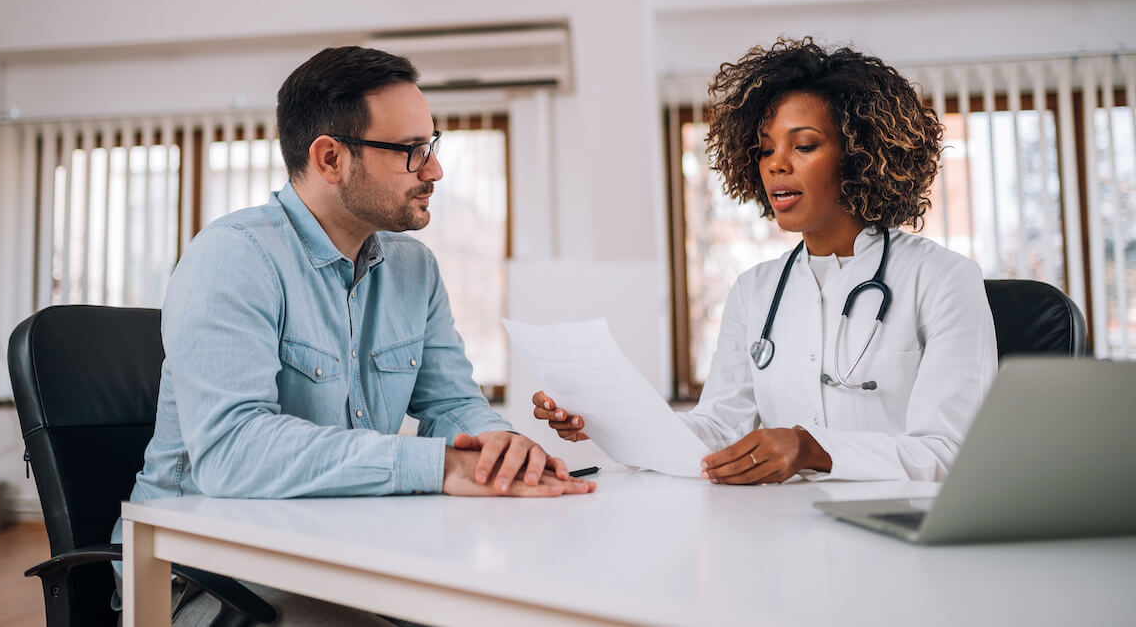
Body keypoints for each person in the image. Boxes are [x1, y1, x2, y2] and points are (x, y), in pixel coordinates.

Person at [114, 46, 593, 626]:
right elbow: (232, 454)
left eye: (432, 147)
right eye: (412, 152)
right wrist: (437, 466)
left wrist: (501, 451)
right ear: (331, 157)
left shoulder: (414, 269)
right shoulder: (232, 258)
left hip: (341, 548)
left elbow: (452, 404)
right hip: (202, 578)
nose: (434, 170)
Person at [533, 37, 997, 484]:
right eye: (766, 148)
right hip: (784, 535)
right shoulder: (755, 291)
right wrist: (611, 422)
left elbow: (950, 451)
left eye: (804, 145)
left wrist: (814, 450)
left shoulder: (942, 279)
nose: (776, 164)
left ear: (859, 156)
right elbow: (717, 429)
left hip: (901, 540)